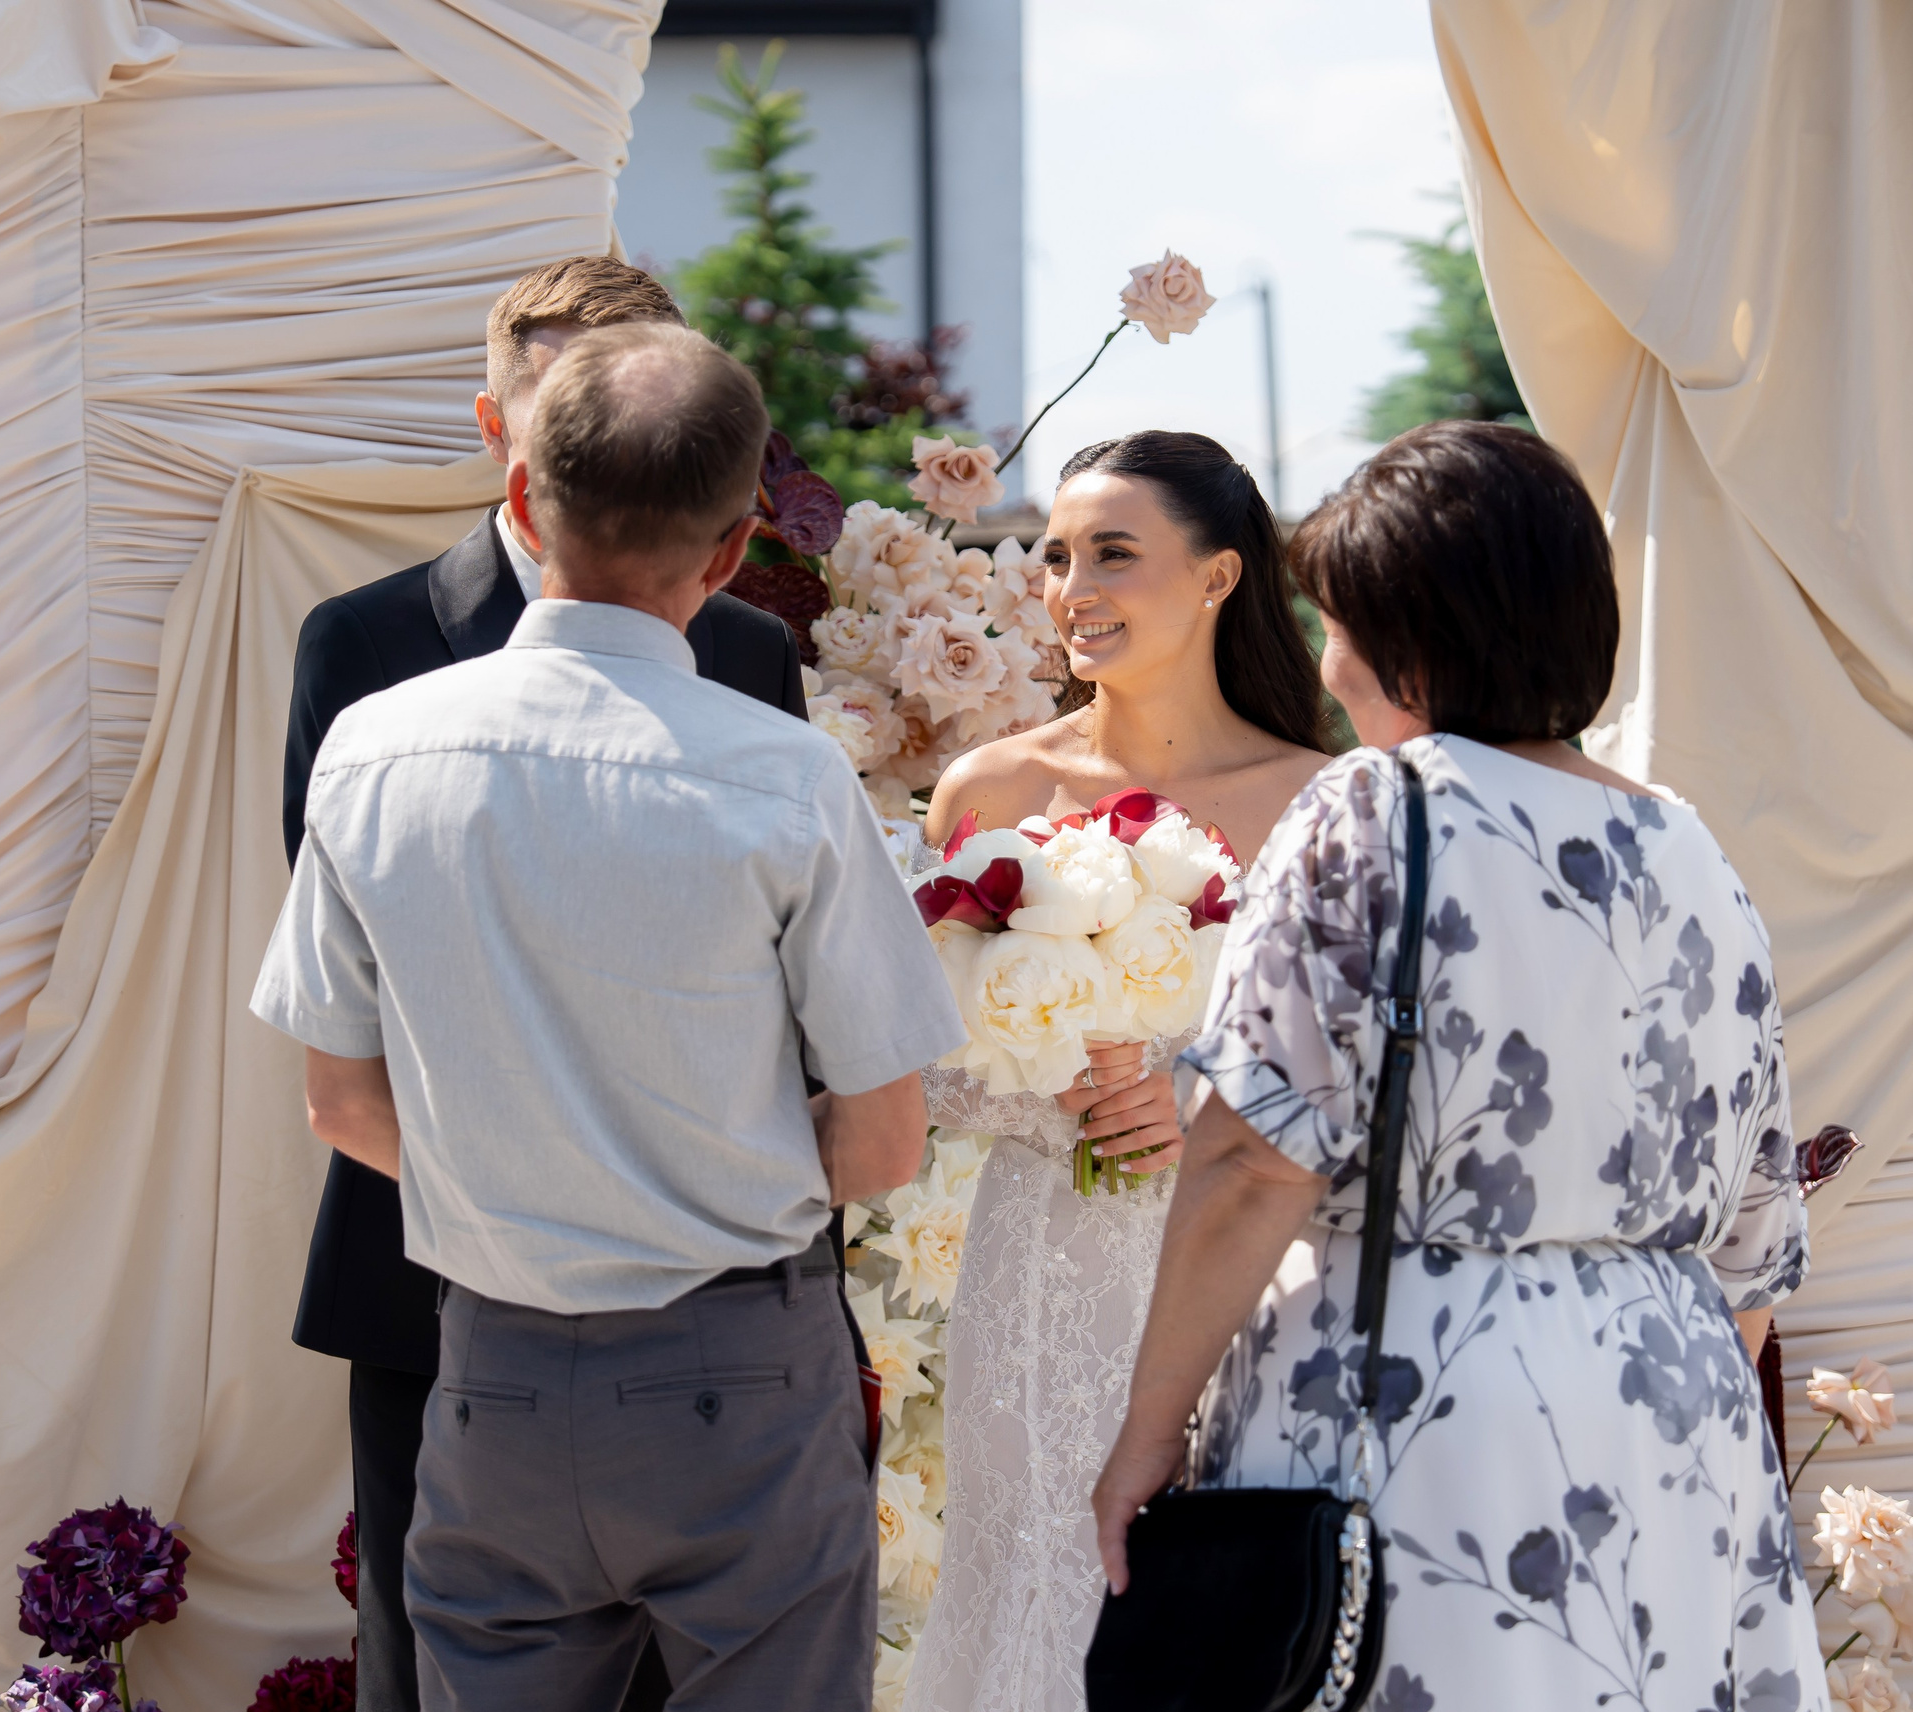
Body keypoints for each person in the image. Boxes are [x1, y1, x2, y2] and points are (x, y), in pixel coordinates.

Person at [252, 323, 963, 1710]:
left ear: (522, 498)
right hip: (736, 1375)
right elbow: (882, 1143)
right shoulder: (786, 779)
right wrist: (693, 1173)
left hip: (491, 1369)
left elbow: (340, 1103)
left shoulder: (375, 751)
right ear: (735, 544)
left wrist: (529, 1183)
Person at [1093, 421, 1823, 1712]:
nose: (1328, 666)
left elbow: (1255, 1156)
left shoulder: (1375, 809)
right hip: (1676, 1417)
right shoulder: (1690, 844)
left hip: (1429, 1409)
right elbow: (1756, 1239)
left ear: (1412, 643)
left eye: (1344, 625)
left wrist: (1150, 1438)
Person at [905, 432, 1333, 1712]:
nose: (1070, 585)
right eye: (1053, 556)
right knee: (1029, 1589)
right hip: (1036, 1265)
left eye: (1113, 554)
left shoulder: (1324, 800)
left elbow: (1357, 1074)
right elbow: (922, 1062)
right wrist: (1050, 1088)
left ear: (1215, 578)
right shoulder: (991, 787)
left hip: (1253, 1265)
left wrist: (1194, 1092)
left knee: (1227, 1606)